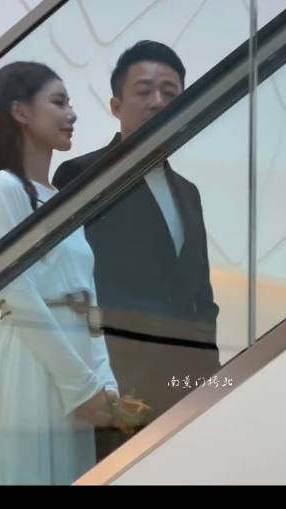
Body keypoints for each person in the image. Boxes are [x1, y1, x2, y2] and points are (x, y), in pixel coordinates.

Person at [53, 41, 220, 461]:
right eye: (144, 90)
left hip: (185, 386)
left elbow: (201, 294)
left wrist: (211, 377)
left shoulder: (189, 193)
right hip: (114, 387)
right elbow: (65, 285)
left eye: (170, 92)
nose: (158, 101)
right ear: (116, 105)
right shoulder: (82, 175)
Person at [0, 61, 120, 486]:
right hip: (34, 360)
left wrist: (104, 380)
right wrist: (81, 386)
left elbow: (90, 301)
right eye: (59, 102)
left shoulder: (62, 199)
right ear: (20, 112)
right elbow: (20, 294)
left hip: (76, 366)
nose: (72, 114)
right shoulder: (5, 188)